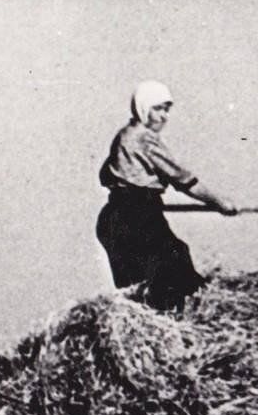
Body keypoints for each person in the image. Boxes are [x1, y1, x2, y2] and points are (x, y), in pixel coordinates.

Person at [96, 80, 239, 311]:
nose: (164, 116)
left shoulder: (124, 136)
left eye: (167, 109)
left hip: (117, 218)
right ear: (143, 109)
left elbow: (108, 174)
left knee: (140, 284)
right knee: (173, 261)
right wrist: (220, 202)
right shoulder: (143, 138)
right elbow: (183, 179)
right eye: (157, 109)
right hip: (135, 215)